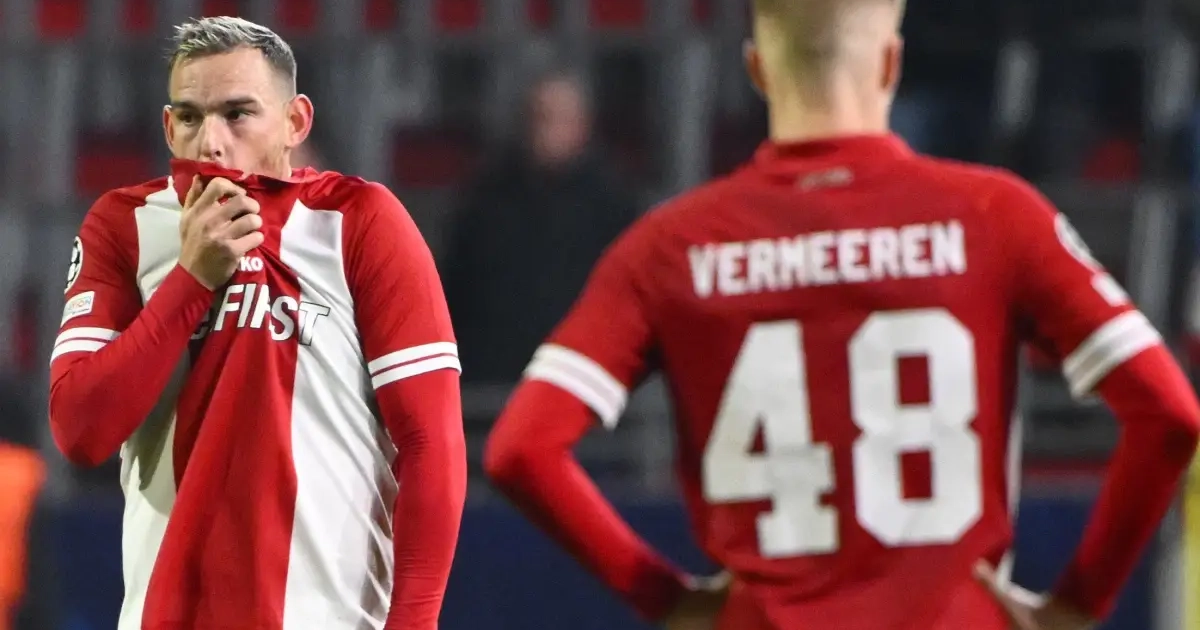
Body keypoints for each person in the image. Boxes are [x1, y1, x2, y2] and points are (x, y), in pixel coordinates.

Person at [483, 1, 1200, 629]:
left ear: (757, 70)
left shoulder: (673, 246)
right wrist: (1079, 602)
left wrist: (664, 598)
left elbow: (520, 449)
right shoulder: (995, 215)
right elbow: (1169, 412)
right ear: (890, 62)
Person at [47, 17, 465, 630]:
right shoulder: (123, 226)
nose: (211, 142)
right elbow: (80, 431)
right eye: (190, 117)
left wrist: (415, 624)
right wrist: (191, 281)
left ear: (295, 121)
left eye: (237, 113)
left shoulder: (360, 221)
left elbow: (431, 442)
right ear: (168, 126)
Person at [442, 68, 640, 385]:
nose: (547, 131)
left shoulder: (611, 205)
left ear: (583, 126)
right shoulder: (486, 199)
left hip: (578, 375)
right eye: (539, 118)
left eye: (559, 119)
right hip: (492, 376)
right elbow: (456, 288)